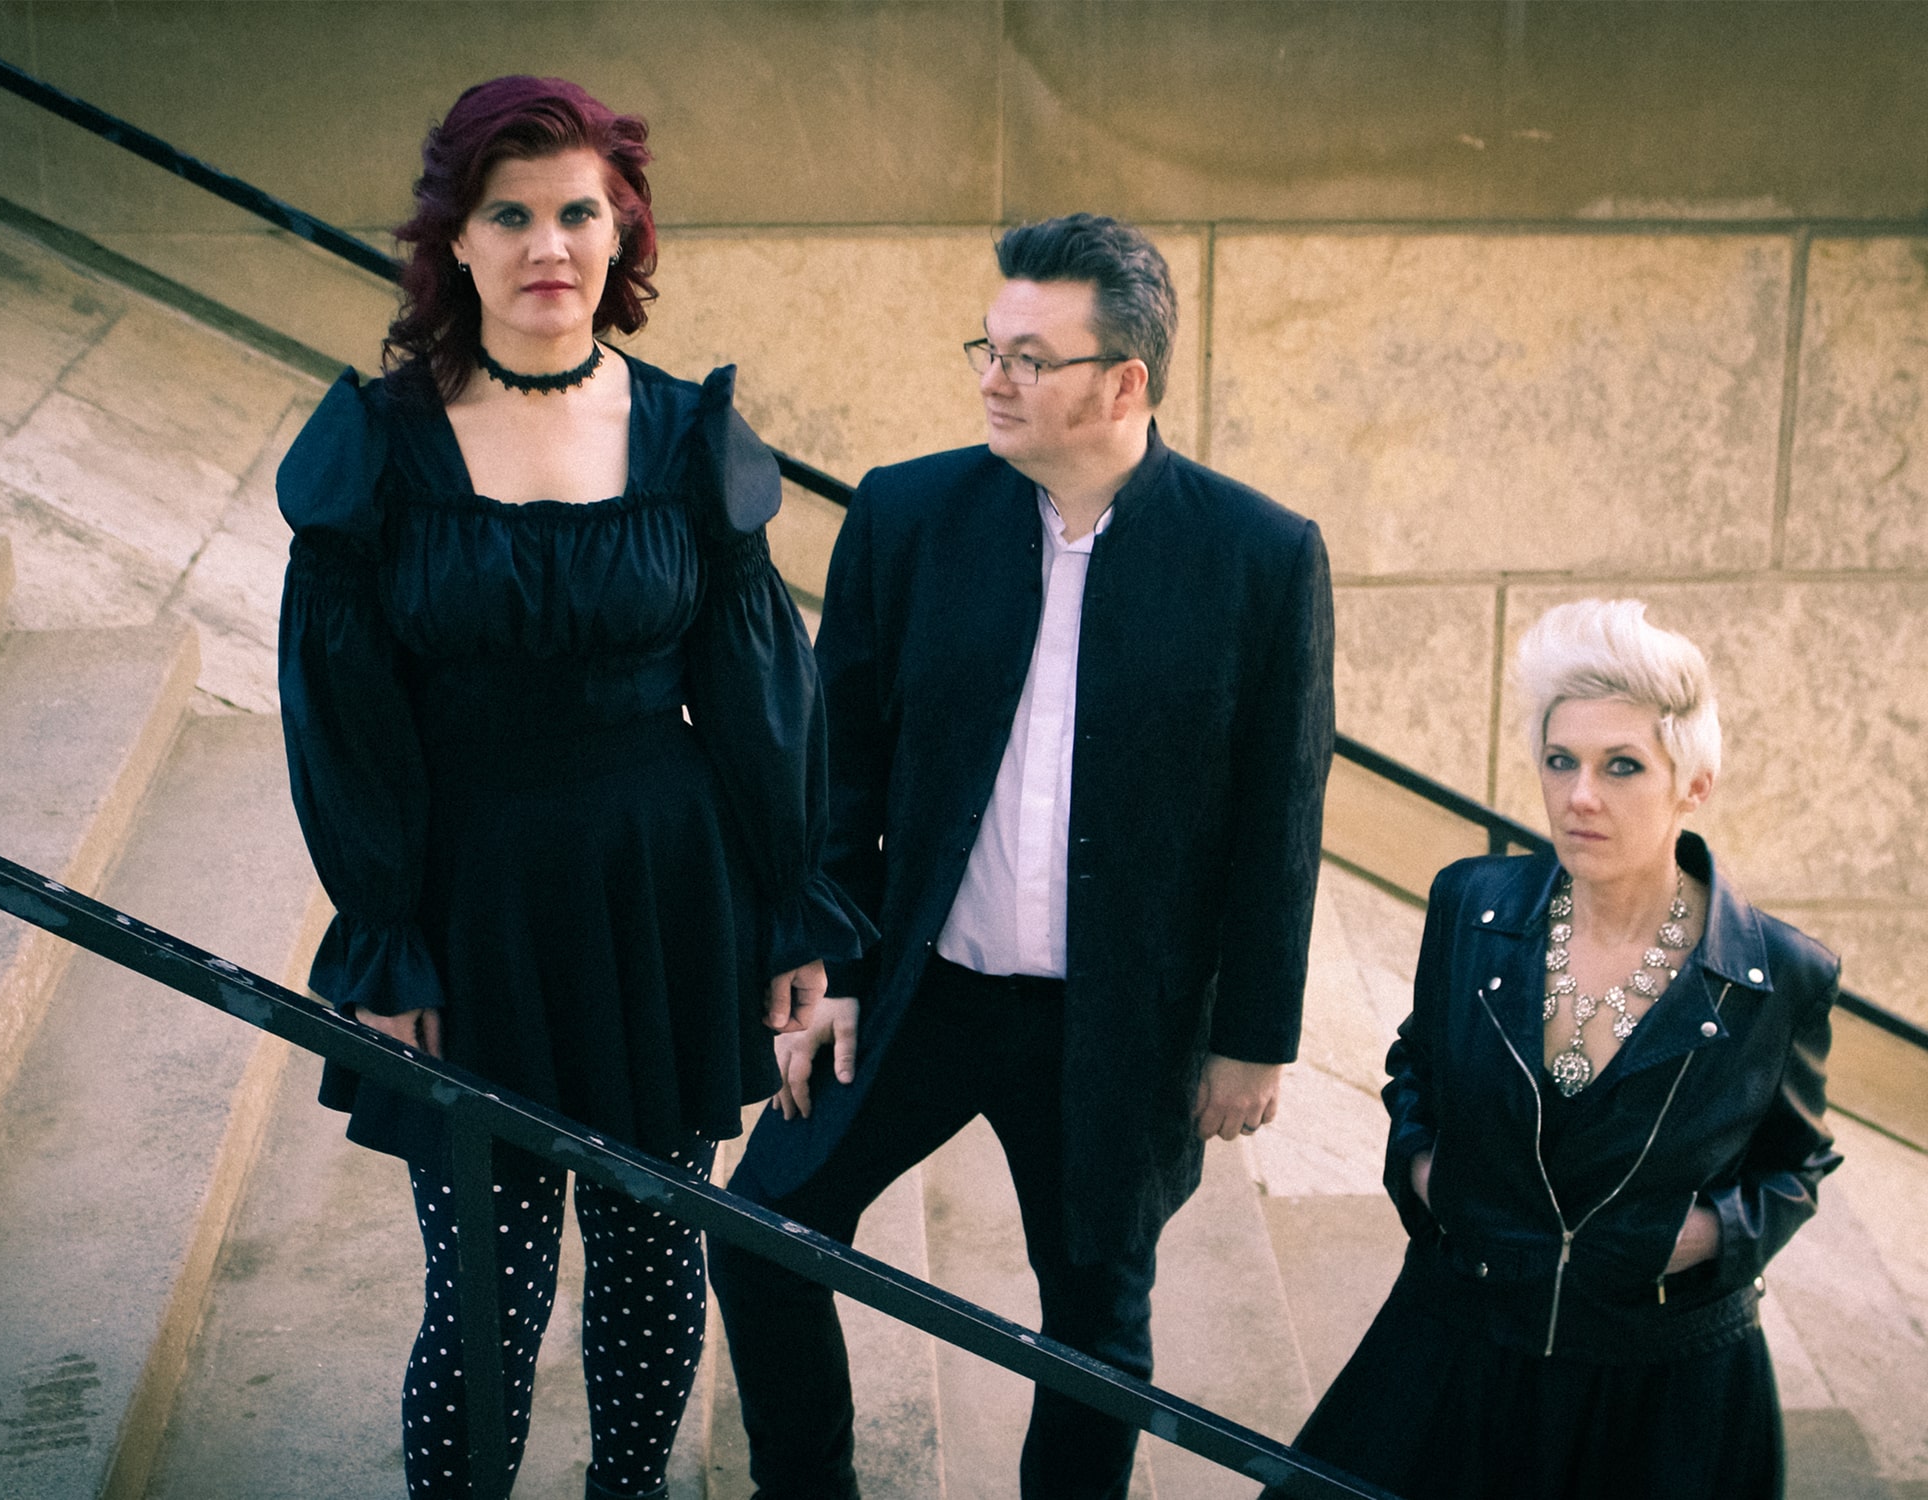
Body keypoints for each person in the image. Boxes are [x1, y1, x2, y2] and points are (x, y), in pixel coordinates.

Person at [274, 76, 868, 1500]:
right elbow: (341, 719)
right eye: (512, 214)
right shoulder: (380, 444)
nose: (550, 245)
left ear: (622, 236)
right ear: (456, 244)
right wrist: (385, 934)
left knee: (654, 1267)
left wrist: (797, 914)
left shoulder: (685, 435)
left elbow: (756, 697)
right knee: (484, 1295)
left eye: (578, 213)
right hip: (473, 903)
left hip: (659, 893)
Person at [709, 214, 1335, 1500]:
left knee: (1095, 1330)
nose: (993, 377)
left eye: (1028, 358)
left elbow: (1280, 821)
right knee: (764, 1235)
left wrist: (1252, 1035)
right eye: (987, 349)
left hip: (1117, 1022)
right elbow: (845, 766)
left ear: (1123, 383)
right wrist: (825, 960)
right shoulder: (906, 513)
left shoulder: (1260, 557)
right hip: (919, 986)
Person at [1291, 599, 1842, 1500]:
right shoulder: (1472, 906)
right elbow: (1417, 1070)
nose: (1580, 795)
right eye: (1561, 761)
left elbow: (1796, 1166)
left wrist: (1702, 1236)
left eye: (1622, 766)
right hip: (1456, 1344)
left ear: (1691, 786)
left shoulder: (1778, 976)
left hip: (1656, 1391)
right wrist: (1430, 1173)